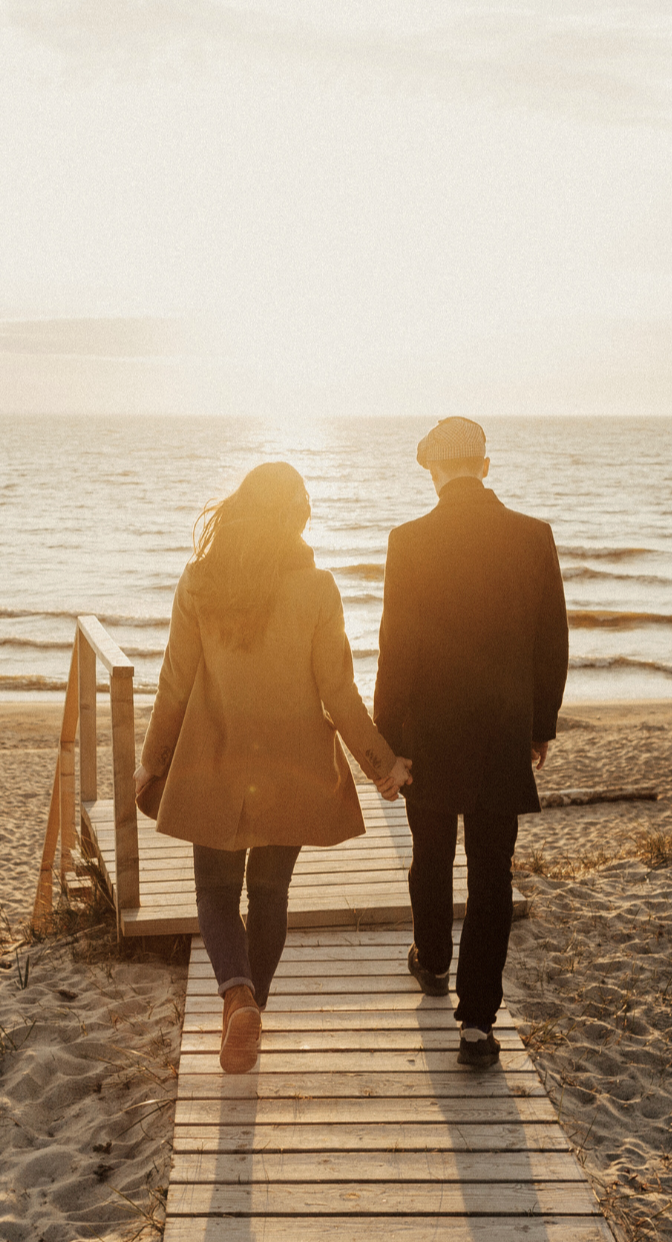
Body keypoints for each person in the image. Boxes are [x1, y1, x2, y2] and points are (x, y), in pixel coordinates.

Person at [137, 462, 412, 1074]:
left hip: (214, 759)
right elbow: (338, 694)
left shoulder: (199, 582)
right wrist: (382, 764)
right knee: (269, 894)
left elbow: (175, 684)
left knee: (213, 890)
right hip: (293, 766)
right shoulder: (319, 589)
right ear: (296, 521)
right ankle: (251, 1006)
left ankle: (237, 998)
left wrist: (150, 762)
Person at [375, 417, 569, 1068]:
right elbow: (551, 643)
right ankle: (477, 1024)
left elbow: (394, 650)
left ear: (432, 470)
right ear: (485, 467)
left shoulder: (408, 541)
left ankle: (431, 959)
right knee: (491, 875)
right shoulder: (531, 536)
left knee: (429, 857)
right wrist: (539, 726)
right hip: (500, 732)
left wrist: (386, 742)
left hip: (427, 734)